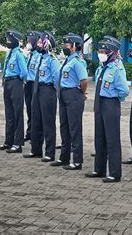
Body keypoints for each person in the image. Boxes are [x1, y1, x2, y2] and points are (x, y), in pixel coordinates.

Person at [86, 40, 129, 183]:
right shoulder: (100, 69)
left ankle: (115, 173)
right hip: (99, 103)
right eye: (100, 52)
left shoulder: (116, 69)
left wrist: (115, 100)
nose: (101, 54)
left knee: (112, 139)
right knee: (99, 137)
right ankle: (99, 169)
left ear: (112, 54)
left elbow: (124, 90)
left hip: (111, 104)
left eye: (104, 52)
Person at [50, 33, 88, 170]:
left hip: (73, 94)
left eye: (67, 45)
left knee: (74, 129)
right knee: (64, 127)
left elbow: (83, 80)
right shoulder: (67, 61)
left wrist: (82, 93)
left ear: (74, 46)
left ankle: (77, 161)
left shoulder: (77, 62)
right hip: (64, 94)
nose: (64, 47)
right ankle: (64, 158)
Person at [23, 31, 60, 162]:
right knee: (36, 119)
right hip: (37, 88)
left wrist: (55, 92)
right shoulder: (39, 57)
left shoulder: (52, 60)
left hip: (48, 90)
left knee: (47, 122)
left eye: (40, 42)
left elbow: (57, 78)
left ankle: (49, 153)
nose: (38, 44)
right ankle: (35, 150)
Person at [0, 30, 28, 153]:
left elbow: (24, 72)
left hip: (15, 83)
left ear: (15, 41)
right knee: (9, 114)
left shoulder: (19, 54)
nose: (7, 42)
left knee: (17, 113)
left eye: (9, 40)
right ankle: (8, 141)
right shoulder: (10, 53)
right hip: (8, 83)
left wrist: (17, 80)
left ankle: (17, 144)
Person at [23, 31, 42, 142]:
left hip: (35, 84)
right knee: (29, 110)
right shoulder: (29, 54)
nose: (28, 43)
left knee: (35, 110)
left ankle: (35, 133)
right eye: (27, 41)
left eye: (30, 41)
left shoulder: (38, 55)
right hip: (27, 84)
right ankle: (29, 132)